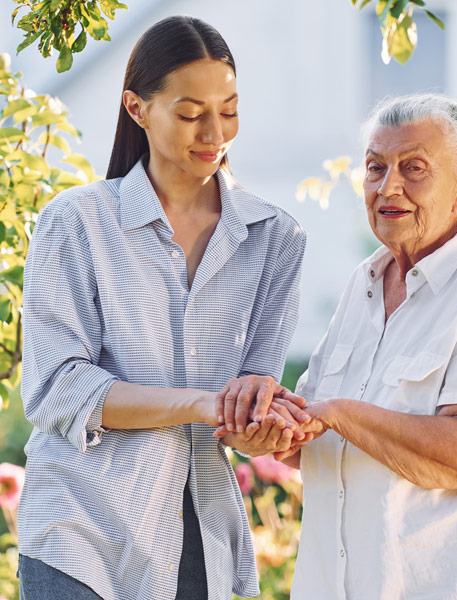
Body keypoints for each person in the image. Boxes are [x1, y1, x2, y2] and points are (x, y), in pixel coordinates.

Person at [218, 93, 457, 599]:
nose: (387, 185)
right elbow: (322, 440)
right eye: (375, 168)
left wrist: (337, 413)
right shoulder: (365, 282)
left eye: (413, 168)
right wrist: (273, 428)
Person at [17, 15, 309, 600]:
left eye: (228, 110)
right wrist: (201, 404)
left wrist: (262, 423)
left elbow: (250, 397)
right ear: (136, 108)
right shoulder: (75, 224)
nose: (214, 133)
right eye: (190, 113)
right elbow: (57, 389)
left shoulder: (276, 238)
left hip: (200, 537)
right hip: (79, 533)